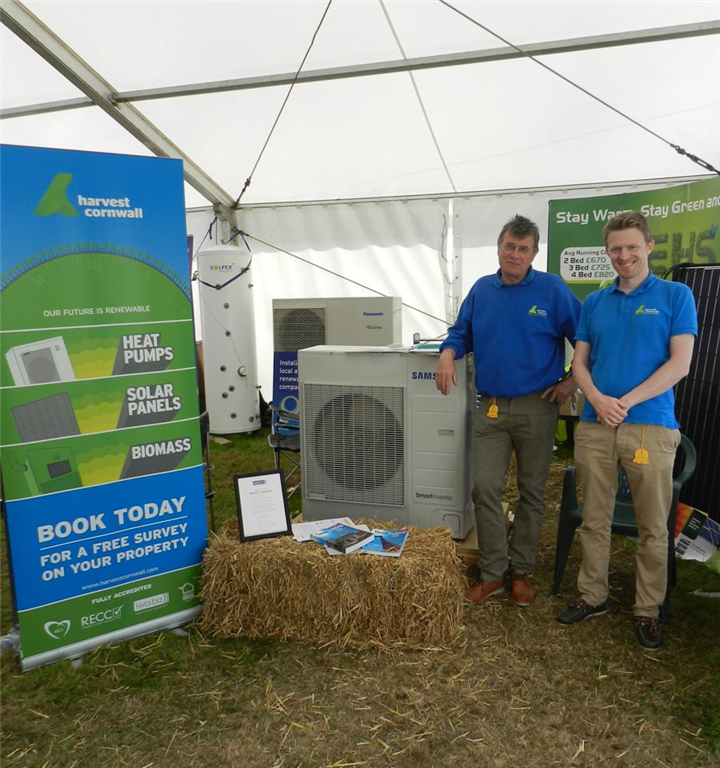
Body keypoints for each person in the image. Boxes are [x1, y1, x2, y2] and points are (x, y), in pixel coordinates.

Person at [556, 211, 697, 650]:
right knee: (594, 517)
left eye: (632, 247)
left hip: (649, 427)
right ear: (608, 253)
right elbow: (580, 361)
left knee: (653, 525)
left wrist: (625, 402)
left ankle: (648, 610)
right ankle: (592, 595)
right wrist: (596, 400)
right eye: (616, 249)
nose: (624, 256)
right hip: (597, 426)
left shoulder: (676, 295)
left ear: (649, 247)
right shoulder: (597, 302)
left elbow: (681, 363)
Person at [436, 214, 581, 607]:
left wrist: (571, 380)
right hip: (492, 407)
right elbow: (459, 333)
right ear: (498, 249)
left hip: (539, 405)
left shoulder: (552, 290)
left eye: (523, 248)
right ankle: (492, 574)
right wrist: (448, 354)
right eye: (508, 247)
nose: (514, 254)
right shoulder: (483, 290)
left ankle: (521, 571)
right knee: (484, 487)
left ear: (534, 253)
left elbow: (585, 337)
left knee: (532, 490)